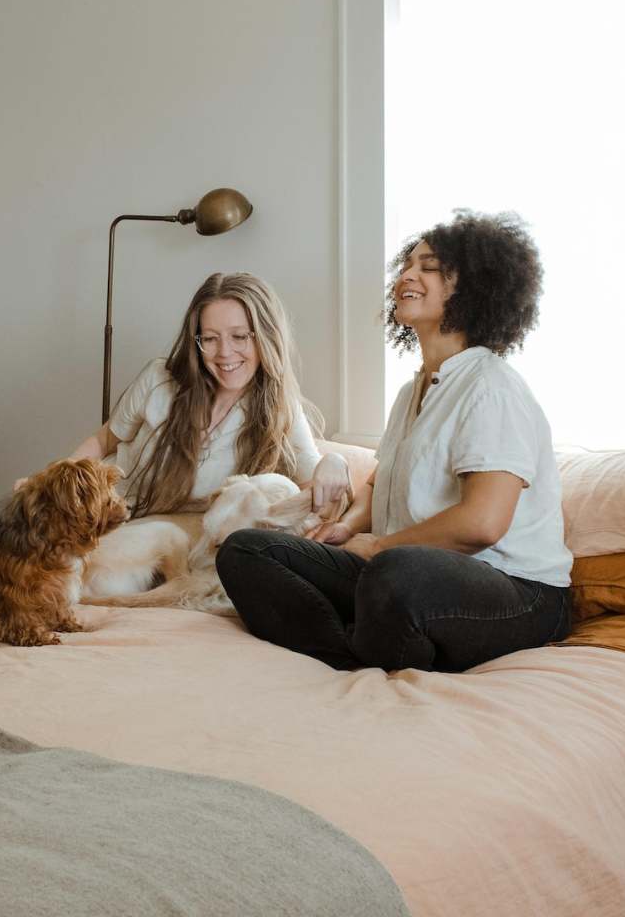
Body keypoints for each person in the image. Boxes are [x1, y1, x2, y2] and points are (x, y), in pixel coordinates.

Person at [216, 211, 573, 673]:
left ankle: (372, 637)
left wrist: (381, 548)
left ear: (473, 286)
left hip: (517, 593)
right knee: (246, 551)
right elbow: (380, 479)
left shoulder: (491, 387)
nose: (407, 274)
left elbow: (483, 522)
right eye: (407, 264)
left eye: (428, 266)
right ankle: (355, 652)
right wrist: (345, 529)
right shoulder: (413, 392)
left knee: (395, 573)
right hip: (402, 574)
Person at [70, 272, 350, 517]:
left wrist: (335, 463)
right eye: (210, 338)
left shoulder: (279, 409)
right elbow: (104, 440)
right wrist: (50, 481)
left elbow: (315, 489)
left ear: (266, 336)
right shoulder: (159, 379)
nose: (224, 352)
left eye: (240, 336)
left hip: (174, 540)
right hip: (105, 516)